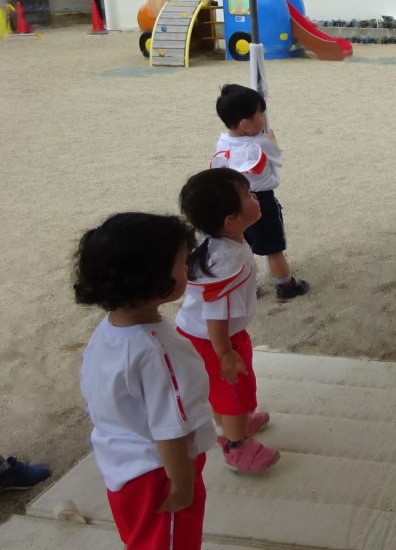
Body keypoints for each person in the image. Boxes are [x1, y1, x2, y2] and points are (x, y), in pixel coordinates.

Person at [76, 212, 215, 550]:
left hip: (121, 468)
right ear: (155, 280)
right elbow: (170, 429)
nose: (188, 271)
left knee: (141, 540)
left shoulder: (110, 330)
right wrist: (182, 485)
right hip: (160, 473)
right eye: (183, 265)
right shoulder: (158, 350)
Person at [177, 168, 280, 474]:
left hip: (211, 336)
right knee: (232, 391)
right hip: (214, 339)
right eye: (248, 195)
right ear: (230, 220)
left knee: (229, 391)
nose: (255, 197)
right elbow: (216, 314)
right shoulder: (227, 259)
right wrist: (224, 352)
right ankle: (237, 446)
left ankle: (237, 422)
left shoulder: (221, 241)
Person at [212, 83, 309, 302]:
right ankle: (286, 284)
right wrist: (271, 141)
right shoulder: (260, 144)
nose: (264, 118)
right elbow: (276, 158)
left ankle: (247, 286)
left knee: (241, 245)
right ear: (246, 124)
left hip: (233, 202)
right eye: (260, 114)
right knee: (273, 247)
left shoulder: (223, 141)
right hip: (260, 201)